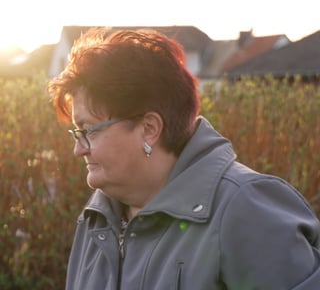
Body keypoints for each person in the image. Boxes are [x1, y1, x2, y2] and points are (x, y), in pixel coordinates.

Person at [48, 27, 320, 290]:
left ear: (149, 129)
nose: (78, 149)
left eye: (88, 131)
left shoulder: (246, 210)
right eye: (77, 133)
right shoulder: (97, 219)